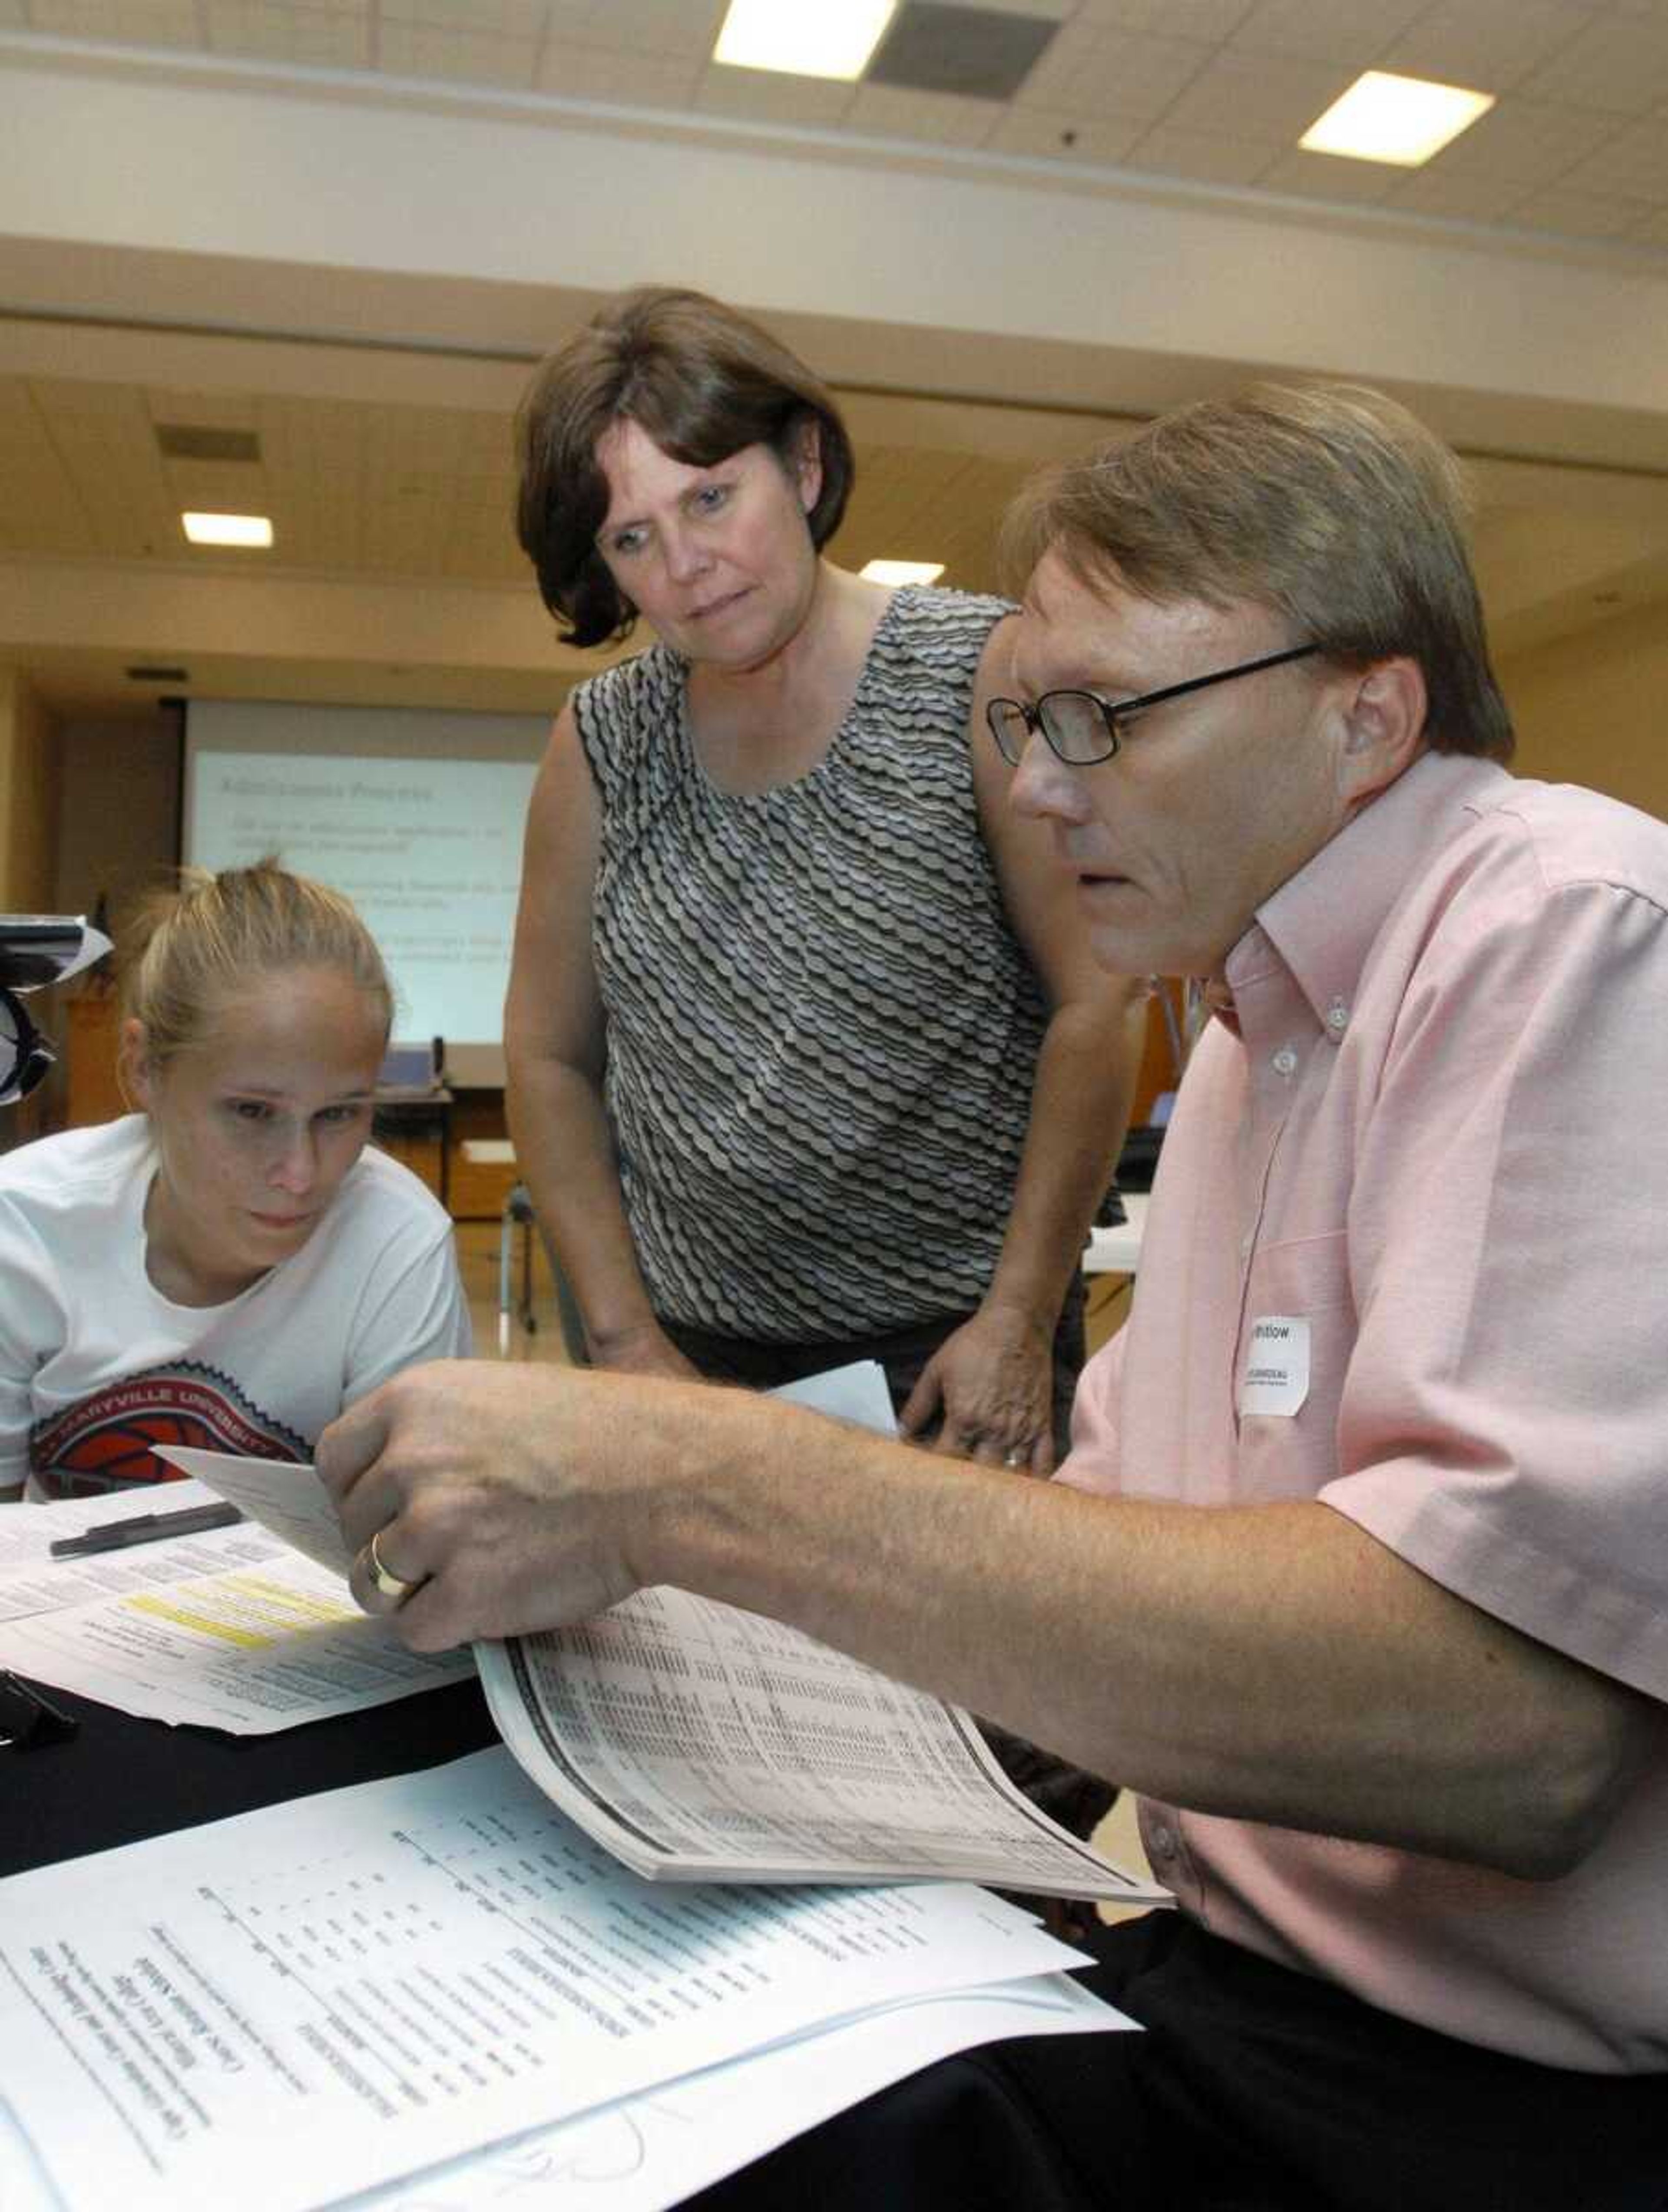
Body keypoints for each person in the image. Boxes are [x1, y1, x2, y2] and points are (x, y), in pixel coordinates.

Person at [321, 384, 1668, 2209]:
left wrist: (685, 1478)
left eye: (1099, 718)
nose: (1034, 784)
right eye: (1033, 720)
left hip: (1469, 2103)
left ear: (1367, 714)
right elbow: (1094, 1589)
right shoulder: (1251, 1022)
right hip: (1228, 1986)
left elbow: (1511, 1726)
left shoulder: (1567, 928)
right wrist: (650, 1688)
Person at [505, 285, 1145, 1472]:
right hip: (684, 1358)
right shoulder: (599, 741)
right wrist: (623, 1338)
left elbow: (1097, 1002)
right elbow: (548, 1059)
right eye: (632, 537)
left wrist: (1016, 1315)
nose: (687, 566)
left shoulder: (977, 671)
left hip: (949, 1354)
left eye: (711, 497)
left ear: (800, 465)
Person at [0, 861, 470, 1503]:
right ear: (143, 1069)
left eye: (339, 1114)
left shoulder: (397, 1242)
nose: (300, 1175)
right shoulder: (23, 1224)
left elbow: (414, 1546)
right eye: (252, 1112)